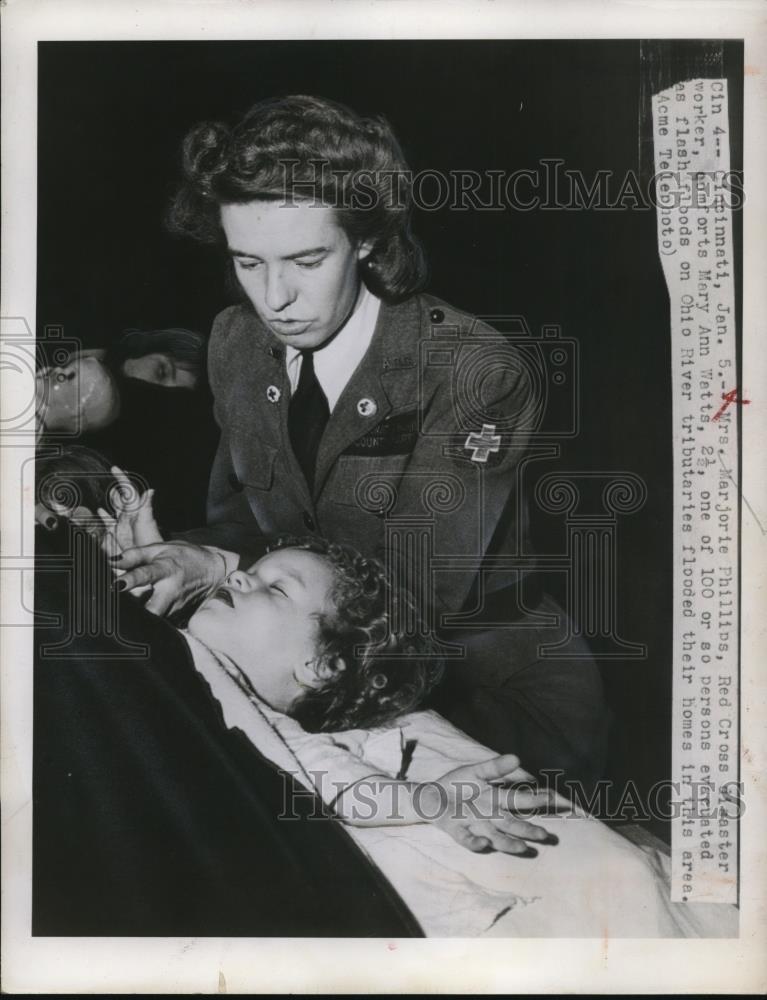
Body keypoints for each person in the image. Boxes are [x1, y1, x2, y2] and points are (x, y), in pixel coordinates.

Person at [112, 94, 608, 785]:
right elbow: (239, 520)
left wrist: (228, 578)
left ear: (368, 239)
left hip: (476, 692)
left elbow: (407, 600)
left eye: (305, 261)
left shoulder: (471, 368)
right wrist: (189, 559)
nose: (273, 298)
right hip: (311, 666)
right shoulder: (236, 341)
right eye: (248, 263)